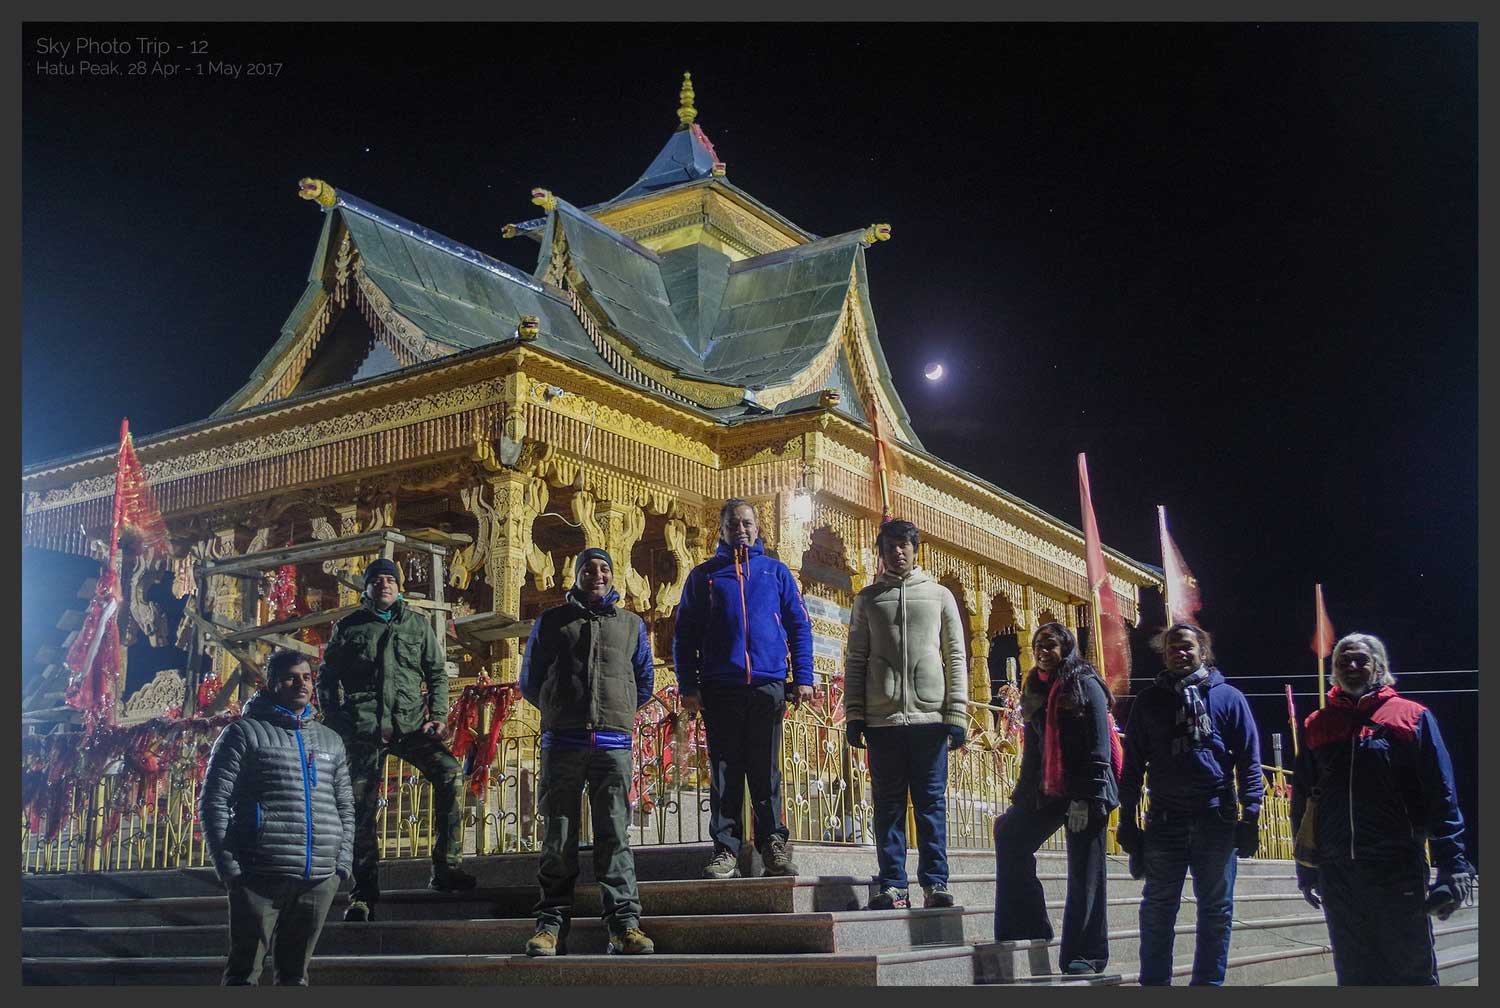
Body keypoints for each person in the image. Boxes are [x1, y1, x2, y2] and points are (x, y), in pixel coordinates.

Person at [1290, 632, 1474, 985]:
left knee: (1410, 972)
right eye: (1343, 661)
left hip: (1396, 867)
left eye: (1361, 659)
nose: (1352, 666)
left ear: (1380, 666)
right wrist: (1307, 868)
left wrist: (1453, 865)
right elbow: (1302, 802)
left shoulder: (1412, 717)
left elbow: (1442, 795)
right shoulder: (1317, 724)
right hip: (1338, 872)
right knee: (1354, 974)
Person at [316, 557, 475, 922]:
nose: (384, 585)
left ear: (399, 586)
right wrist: (335, 717)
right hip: (363, 730)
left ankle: (446, 867)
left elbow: (437, 674)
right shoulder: (350, 627)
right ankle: (363, 892)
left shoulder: (416, 625)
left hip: (410, 727)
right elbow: (327, 676)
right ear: (367, 587)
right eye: (377, 580)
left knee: (450, 773)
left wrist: (437, 716)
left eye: (390, 579)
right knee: (360, 808)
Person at [518, 548, 657, 957]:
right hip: (564, 742)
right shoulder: (552, 622)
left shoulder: (631, 625)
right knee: (558, 836)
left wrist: (621, 710)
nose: (597, 575)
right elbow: (530, 680)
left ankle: (624, 925)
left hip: (612, 744)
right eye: (588, 569)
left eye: (604, 569)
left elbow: (644, 679)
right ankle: (550, 926)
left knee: (614, 835)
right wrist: (559, 707)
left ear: (613, 577)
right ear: (575, 576)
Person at [673, 498, 814, 879]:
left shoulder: (776, 573)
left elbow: (799, 626)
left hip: (768, 685)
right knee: (725, 771)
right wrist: (688, 684)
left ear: (757, 528)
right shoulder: (704, 577)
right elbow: (684, 634)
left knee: (765, 770)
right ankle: (725, 849)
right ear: (721, 530)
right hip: (721, 687)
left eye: (747, 523)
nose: (741, 530)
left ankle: (773, 845)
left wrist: (803, 676)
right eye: (733, 524)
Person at [1116, 623, 1264, 986]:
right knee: (1157, 909)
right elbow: (1133, 764)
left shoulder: (1228, 698)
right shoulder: (1150, 702)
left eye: (1187, 647)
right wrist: (1127, 819)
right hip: (1165, 821)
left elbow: (1249, 760)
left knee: (1215, 910)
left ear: (1203, 652)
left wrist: (1252, 814)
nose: (1179, 653)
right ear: (1163, 656)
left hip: (1215, 817)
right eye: (1171, 649)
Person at [199, 649, 354, 985]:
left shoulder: (331, 740)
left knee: (295, 976)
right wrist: (230, 869)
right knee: (244, 973)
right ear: (270, 683)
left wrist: (341, 863)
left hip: (319, 876)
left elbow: (345, 804)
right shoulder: (243, 734)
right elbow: (214, 802)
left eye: (307, 677)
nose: (301, 683)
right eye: (290, 677)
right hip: (259, 874)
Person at [843, 519, 969, 910]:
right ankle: (893, 883)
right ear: (880, 553)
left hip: (930, 719)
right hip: (883, 721)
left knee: (931, 804)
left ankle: (935, 882)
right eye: (890, 546)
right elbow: (856, 659)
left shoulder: (940, 596)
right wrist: (854, 713)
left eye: (904, 545)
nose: (898, 552)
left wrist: (958, 713)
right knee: (888, 805)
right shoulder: (867, 600)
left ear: (916, 550)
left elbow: (955, 656)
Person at [993, 622, 1119, 975]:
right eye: (1037, 646)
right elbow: (1032, 750)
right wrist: (1021, 799)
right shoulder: (1034, 686)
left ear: (1066, 648)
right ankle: (1027, 924)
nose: (1043, 652)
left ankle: (1087, 955)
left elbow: (1099, 747)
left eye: (1050, 645)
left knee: (1085, 870)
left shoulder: (1085, 683)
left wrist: (1086, 797)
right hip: (1048, 787)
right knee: (1010, 835)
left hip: (1087, 788)